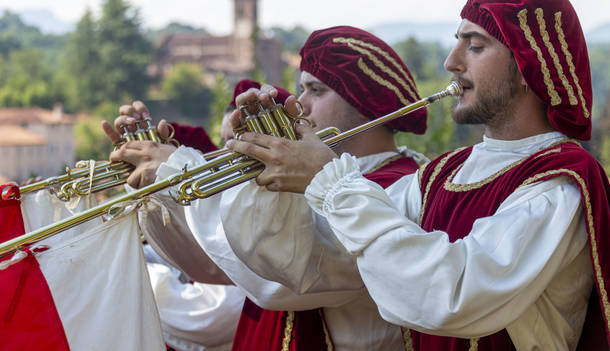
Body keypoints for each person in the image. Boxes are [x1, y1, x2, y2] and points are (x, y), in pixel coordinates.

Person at [224, 0, 610, 350]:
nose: (451, 62)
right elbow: (317, 264)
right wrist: (269, 166)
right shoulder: (439, 175)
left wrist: (330, 180)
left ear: (528, 65)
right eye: (456, 43)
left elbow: (455, 296)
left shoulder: (559, 183)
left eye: (474, 46)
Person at [108, 26, 429, 350]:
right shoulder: (309, 176)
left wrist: (180, 171)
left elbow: (285, 281)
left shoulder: (398, 186)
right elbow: (212, 265)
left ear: (364, 101)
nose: (300, 105)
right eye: (300, 89)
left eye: (316, 91)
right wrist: (160, 186)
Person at [103, 79, 290, 351]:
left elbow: (209, 315)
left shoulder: (270, 214)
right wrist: (152, 191)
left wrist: (119, 266)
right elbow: (191, 254)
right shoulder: (230, 202)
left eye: (242, 139)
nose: (228, 151)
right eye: (226, 140)